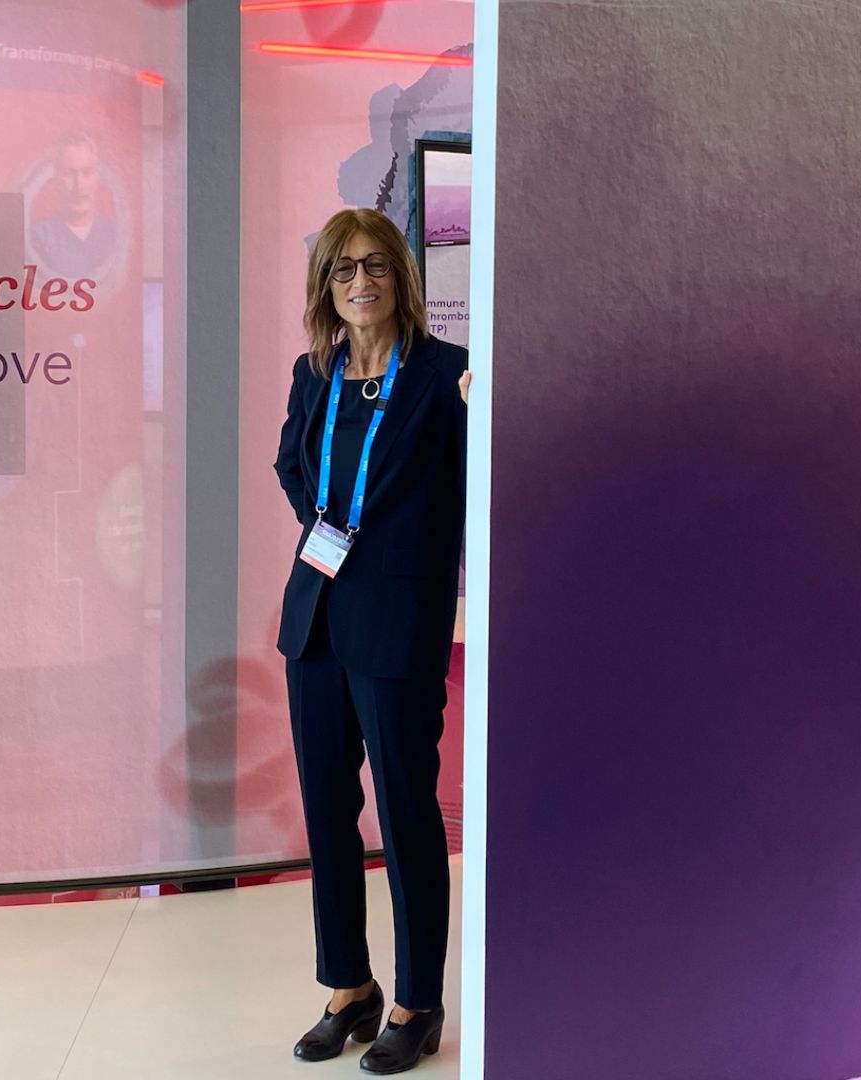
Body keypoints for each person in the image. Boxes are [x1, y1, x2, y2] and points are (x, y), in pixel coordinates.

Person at [274, 208, 470, 1074]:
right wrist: (334, 541)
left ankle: (416, 1002)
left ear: (402, 278)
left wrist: (388, 555)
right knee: (326, 811)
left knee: (405, 814)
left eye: (377, 267)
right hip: (316, 616)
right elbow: (291, 465)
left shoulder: (444, 376)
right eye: (343, 269)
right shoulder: (312, 375)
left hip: (397, 625)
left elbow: (475, 486)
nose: (361, 282)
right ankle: (346, 988)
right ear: (327, 286)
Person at [27, 133, 119, 279]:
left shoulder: (116, 233)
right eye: (69, 174)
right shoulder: (38, 238)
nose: (79, 185)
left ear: (97, 178)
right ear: (56, 179)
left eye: (87, 173)